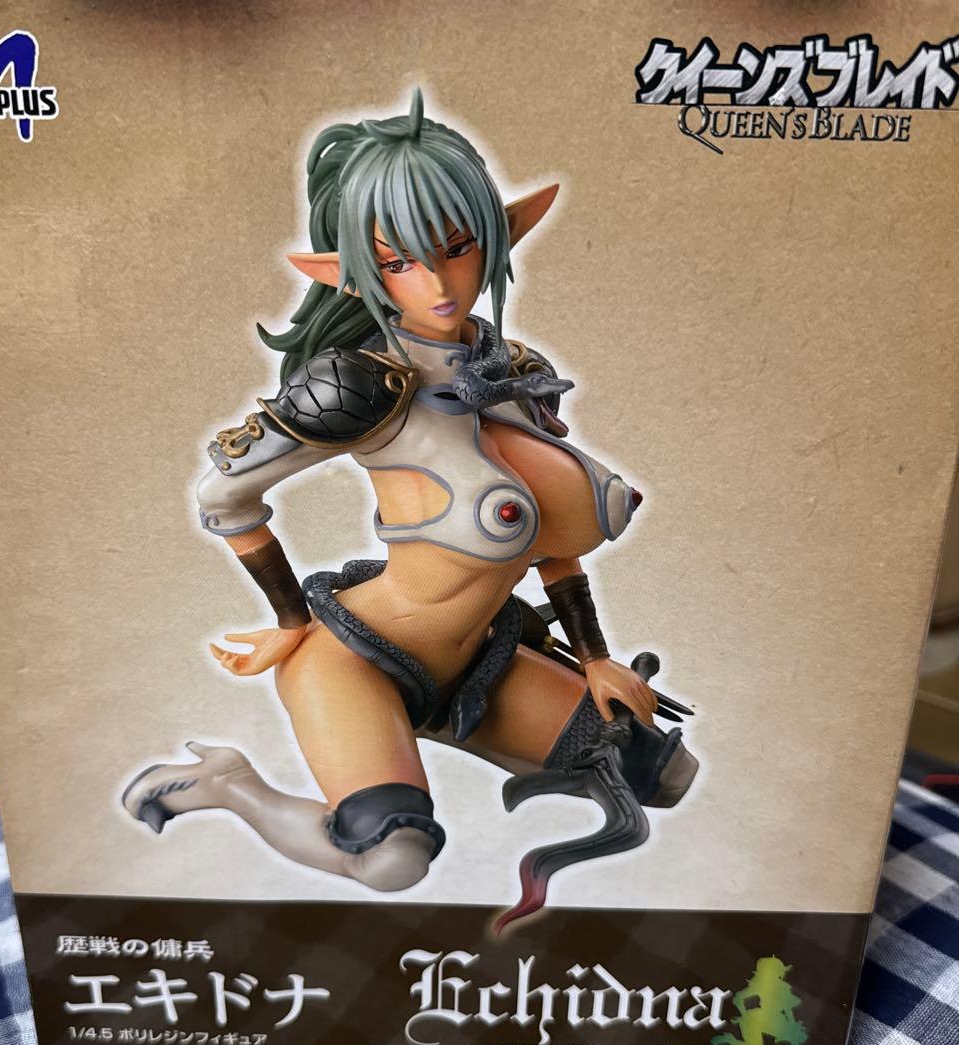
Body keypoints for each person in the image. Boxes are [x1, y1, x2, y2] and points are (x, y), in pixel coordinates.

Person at [122, 90, 697, 922]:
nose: (435, 283)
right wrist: (288, 620)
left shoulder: (512, 371)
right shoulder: (362, 385)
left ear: (495, 238)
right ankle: (231, 785)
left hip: (479, 666)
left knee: (663, 775)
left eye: (457, 249)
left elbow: (552, 541)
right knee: (391, 861)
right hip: (359, 660)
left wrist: (596, 656)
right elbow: (225, 492)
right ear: (356, 271)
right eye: (398, 263)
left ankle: (427, 734)